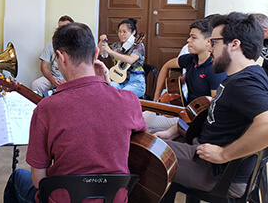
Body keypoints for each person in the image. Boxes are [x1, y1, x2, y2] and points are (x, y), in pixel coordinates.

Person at [4, 23, 146, 203]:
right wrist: (107, 85)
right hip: (114, 199)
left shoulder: (46, 108)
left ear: (60, 57)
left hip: (63, 199)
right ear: (96, 54)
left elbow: (38, 181)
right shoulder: (128, 101)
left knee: (17, 177)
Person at [163, 12, 268, 198]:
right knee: (144, 145)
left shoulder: (243, 83)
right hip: (202, 154)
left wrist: (224, 155)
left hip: (217, 173)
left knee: (139, 156)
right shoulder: (245, 76)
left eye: (214, 42)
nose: (210, 48)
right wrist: (174, 130)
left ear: (234, 44)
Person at [144, 19, 227, 137]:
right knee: (140, 116)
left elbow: (213, 109)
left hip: (194, 119)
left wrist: (175, 129)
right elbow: (166, 66)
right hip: (183, 110)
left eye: (194, 37)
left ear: (208, 42)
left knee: (144, 120)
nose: (188, 40)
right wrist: (156, 100)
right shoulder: (190, 59)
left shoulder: (215, 70)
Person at [98, 18, 146, 98]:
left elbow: (130, 60)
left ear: (133, 32)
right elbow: (99, 52)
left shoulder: (138, 45)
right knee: (105, 92)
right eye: (119, 31)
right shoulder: (117, 46)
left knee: (121, 96)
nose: (121, 34)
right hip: (118, 80)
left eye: (124, 32)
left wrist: (110, 51)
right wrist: (101, 41)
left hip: (135, 82)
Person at [30, 15, 73, 95]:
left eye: (65, 27)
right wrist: (52, 80)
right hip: (53, 78)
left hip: (71, 78)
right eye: (60, 27)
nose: (62, 30)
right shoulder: (50, 44)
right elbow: (44, 66)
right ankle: (40, 107)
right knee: (36, 84)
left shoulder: (77, 45)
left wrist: (67, 80)